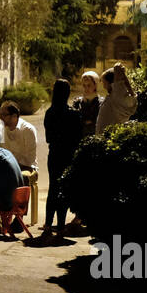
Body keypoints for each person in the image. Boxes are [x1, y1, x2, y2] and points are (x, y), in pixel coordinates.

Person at [41, 78, 82, 238]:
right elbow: (78, 137)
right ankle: (60, 225)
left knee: (53, 188)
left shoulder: (49, 113)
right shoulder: (73, 114)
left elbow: (48, 138)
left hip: (55, 154)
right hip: (68, 154)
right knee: (63, 190)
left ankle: (48, 224)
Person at [95, 64, 138, 134]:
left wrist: (117, 69)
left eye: (104, 82)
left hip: (108, 137)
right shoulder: (123, 98)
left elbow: (117, 84)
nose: (103, 86)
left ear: (111, 83)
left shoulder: (117, 97)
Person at [74, 70, 102, 137]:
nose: (86, 88)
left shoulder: (101, 103)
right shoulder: (77, 102)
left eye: (89, 85)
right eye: (84, 85)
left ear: (95, 85)